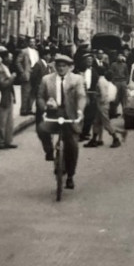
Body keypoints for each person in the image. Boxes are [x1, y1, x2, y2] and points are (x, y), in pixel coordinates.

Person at [37, 52, 86, 189]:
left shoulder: (76, 80)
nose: (61, 68)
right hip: (53, 113)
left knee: (72, 146)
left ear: (69, 67)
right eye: (58, 65)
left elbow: (81, 96)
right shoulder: (46, 79)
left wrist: (80, 111)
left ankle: (70, 176)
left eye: (64, 66)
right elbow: (40, 97)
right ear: (54, 66)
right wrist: (45, 106)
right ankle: (49, 152)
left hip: (70, 114)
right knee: (41, 129)